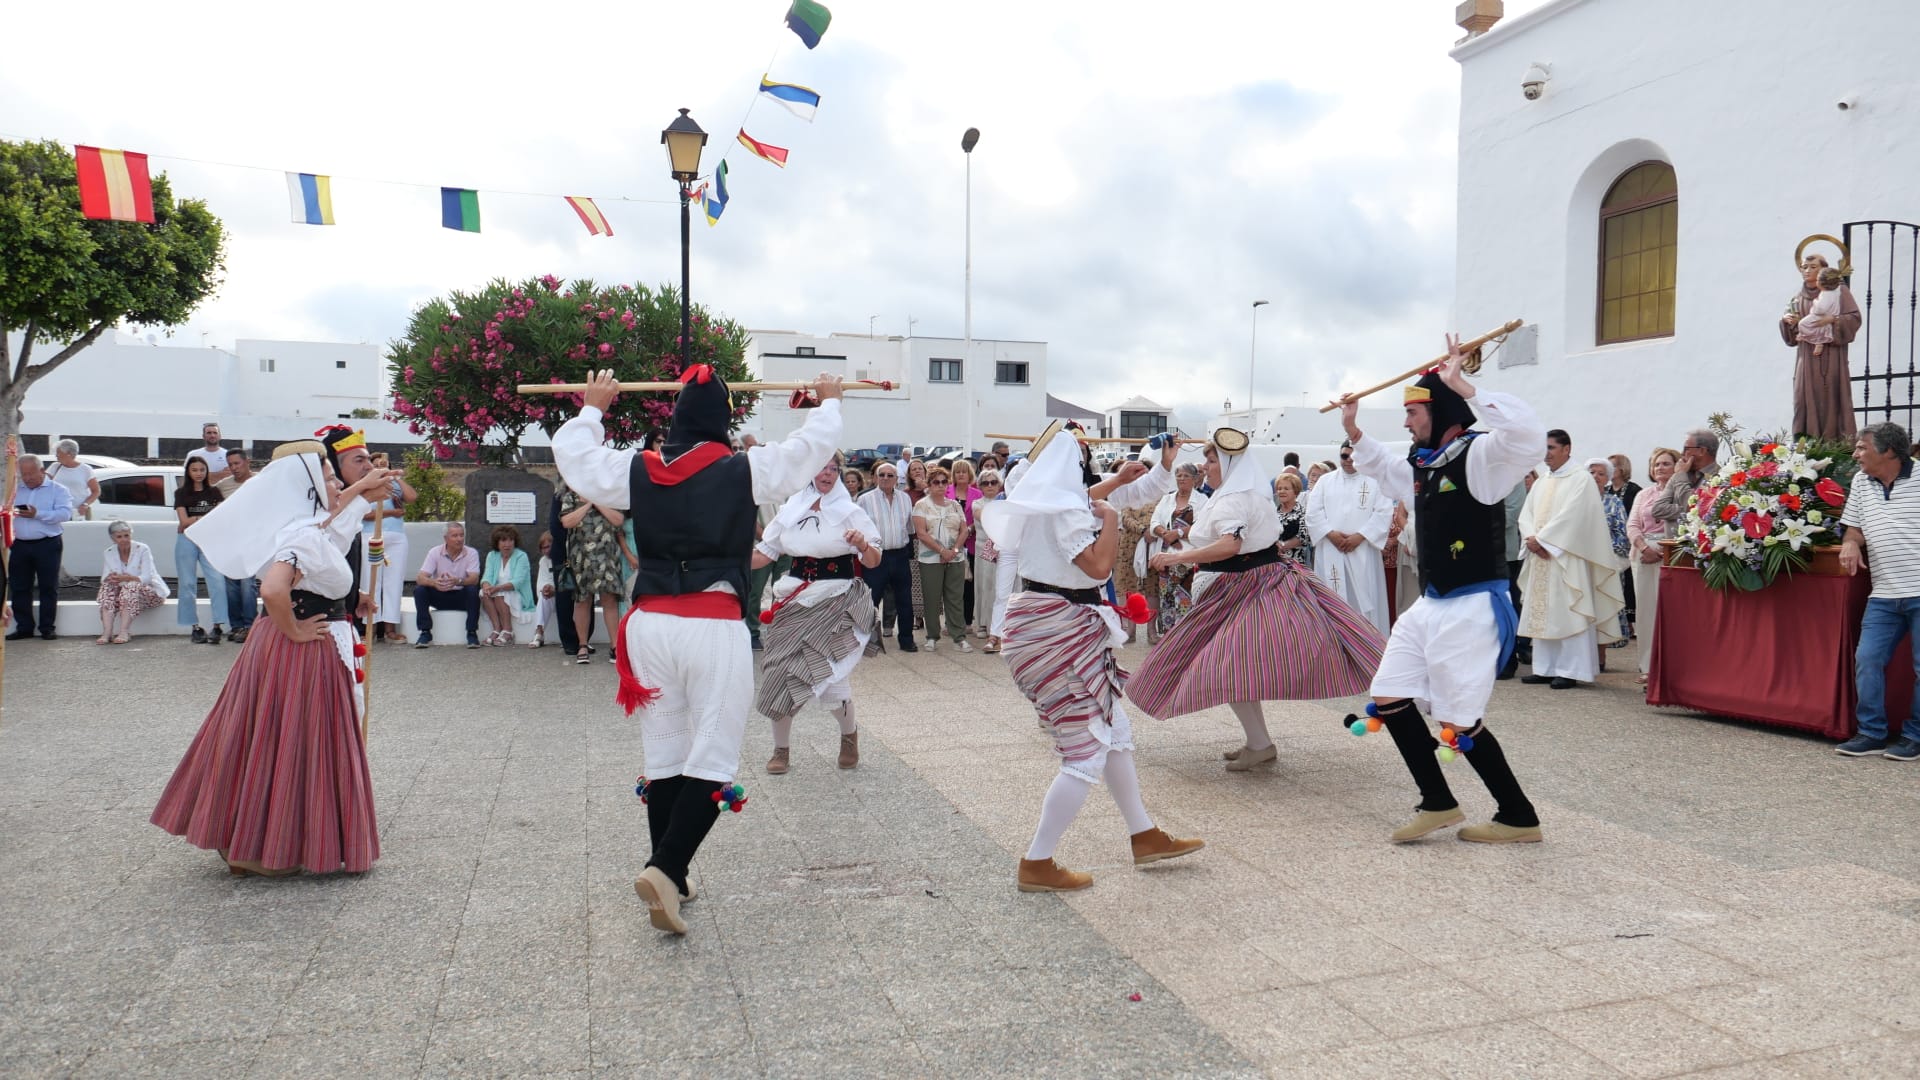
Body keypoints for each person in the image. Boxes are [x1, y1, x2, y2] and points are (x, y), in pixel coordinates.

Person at [553, 366, 844, 935]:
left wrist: (593, 407)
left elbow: (575, 457)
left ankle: (674, 873)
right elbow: (810, 449)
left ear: (677, 423)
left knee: (665, 751)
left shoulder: (636, 469)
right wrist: (828, 403)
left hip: (649, 624)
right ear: (723, 426)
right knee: (712, 753)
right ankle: (664, 868)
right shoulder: (744, 468)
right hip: (710, 623)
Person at [1337, 333, 1550, 844]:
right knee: (1388, 694)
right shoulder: (1421, 464)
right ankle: (1437, 802)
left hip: (1473, 603)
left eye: (1413, 412)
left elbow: (1528, 438)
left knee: (1460, 719)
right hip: (1432, 604)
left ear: (1443, 411)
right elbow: (1384, 467)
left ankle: (1518, 816)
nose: (1406, 421)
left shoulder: (1479, 457)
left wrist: (1466, 386)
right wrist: (1352, 428)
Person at [152, 431, 394, 876]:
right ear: (307, 487)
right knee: (292, 743)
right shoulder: (300, 535)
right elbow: (274, 587)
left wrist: (348, 595)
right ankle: (258, 846)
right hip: (298, 652)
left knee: (268, 741)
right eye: (328, 476)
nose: (336, 483)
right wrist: (296, 630)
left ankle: (253, 840)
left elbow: (322, 553)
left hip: (280, 646)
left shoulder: (301, 527)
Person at [978, 421, 1203, 893]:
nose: (1085, 463)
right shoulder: (1064, 510)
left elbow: (1090, 498)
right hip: (1057, 630)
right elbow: (1099, 566)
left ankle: (1144, 835)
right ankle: (1037, 861)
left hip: (1052, 623)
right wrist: (1114, 521)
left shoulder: (1050, 497)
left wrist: (1128, 480)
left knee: (1115, 731)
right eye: (1080, 455)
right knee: (1085, 752)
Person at [1131, 431, 1386, 771]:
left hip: (1241, 587)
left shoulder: (1233, 499)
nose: (1206, 467)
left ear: (1228, 463)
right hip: (1252, 582)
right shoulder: (1243, 494)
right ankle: (1258, 742)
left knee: (1231, 667)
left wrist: (1176, 558)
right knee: (1237, 668)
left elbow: (1230, 546)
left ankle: (1259, 743)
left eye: (1211, 461)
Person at [754, 455, 883, 774]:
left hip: (836, 601)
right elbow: (763, 554)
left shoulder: (850, 512)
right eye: (821, 468)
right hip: (793, 601)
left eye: (833, 469)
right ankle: (781, 749)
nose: (827, 474)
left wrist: (863, 544)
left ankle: (849, 737)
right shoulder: (790, 510)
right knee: (778, 674)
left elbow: (873, 560)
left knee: (829, 682)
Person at [1834, 423, 1920, 759]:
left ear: (1888, 452)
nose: (1855, 454)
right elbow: (1853, 528)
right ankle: (1870, 732)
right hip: (1883, 593)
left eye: (1861, 448)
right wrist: (1851, 544)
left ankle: (1914, 737)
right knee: (1867, 659)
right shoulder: (1860, 482)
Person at [1515, 432, 1625, 689]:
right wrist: (1531, 537)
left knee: (1568, 609)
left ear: (1567, 449)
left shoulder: (1581, 479)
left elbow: (1575, 516)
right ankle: (1545, 667)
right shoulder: (1543, 481)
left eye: (1551, 447)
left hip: (1567, 556)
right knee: (1544, 611)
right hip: (1542, 555)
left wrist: (1544, 541)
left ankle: (1570, 668)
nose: (1546, 453)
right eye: (1544, 448)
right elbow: (1526, 513)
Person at [1306, 439, 1395, 637]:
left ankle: (1370, 646)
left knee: (1365, 601)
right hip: (1331, 549)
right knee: (1333, 599)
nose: (1348, 461)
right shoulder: (1325, 481)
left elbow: (1383, 512)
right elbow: (1312, 513)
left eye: (1353, 456)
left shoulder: (1375, 481)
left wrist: (1360, 536)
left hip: (1362, 550)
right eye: (1344, 456)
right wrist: (1331, 534)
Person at [1782, 254, 1862, 439]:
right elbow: (1792, 334)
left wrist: (1833, 320)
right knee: (1802, 400)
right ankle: (1805, 445)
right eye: (1804, 267)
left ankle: (1833, 445)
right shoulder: (1797, 297)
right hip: (1806, 357)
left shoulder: (1838, 291)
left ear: (1823, 269)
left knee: (1829, 398)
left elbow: (1854, 318)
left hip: (1831, 356)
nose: (1807, 271)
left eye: (1812, 267)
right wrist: (1788, 322)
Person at [7, 453, 74, 640]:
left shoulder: (58, 490)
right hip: (19, 544)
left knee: (47, 586)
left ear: (42, 471)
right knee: (19, 587)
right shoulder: (15, 490)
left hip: (47, 543)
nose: (27, 478)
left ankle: (47, 628)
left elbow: (64, 514)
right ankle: (24, 628)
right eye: (23, 474)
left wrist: (38, 514)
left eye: (31, 473)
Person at [1627, 448, 1679, 686]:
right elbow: (1633, 524)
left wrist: (1661, 551)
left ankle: (1670, 667)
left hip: (1672, 554)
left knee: (1669, 612)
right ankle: (1648, 666)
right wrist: (1643, 547)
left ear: (1677, 467)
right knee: (1647, 612)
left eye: (1666, 464)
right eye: (1657, 464)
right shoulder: (1644, 494)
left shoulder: (1682, 493)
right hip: (1643, 554)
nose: (1660, 468)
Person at [561, 485, 627, 664]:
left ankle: (615, 646)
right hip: (581, 558)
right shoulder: (571, 497)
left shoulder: (610, 495)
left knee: (609, 601)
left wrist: (599, 503)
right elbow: (567, 522)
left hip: (607, 558)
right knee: (582, 601)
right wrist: (588, 503)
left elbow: (618, 519)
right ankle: (582, 645)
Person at [855, 463, 918, 652]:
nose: (885, 478)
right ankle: (867, 641)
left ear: (896, 478)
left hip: (899, 554)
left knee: (905, 600)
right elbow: (858, 527)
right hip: (876, 555)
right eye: (881, 474)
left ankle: (906, 640)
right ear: (874, 477)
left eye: (890, 475)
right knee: (871, 600)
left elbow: (909, 527)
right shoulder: (865, 500)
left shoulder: (905, 498)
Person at [357, 453, 415, 645]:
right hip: (371, 536)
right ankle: (369, 628)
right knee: (371, 582)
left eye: (384, 464)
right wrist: (390, 512)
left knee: (394, 583)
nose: (381, 467)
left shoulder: (394, 484)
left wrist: (395, 476)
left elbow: (412, 497)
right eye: (376, 465)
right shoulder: (364, 485)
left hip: (396, 537)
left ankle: (390, 629)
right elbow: (363, 514)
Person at [913, 465, 971, 652]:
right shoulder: (921, 505)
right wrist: (941, 551)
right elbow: (921, 533)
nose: (940, 485)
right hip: (930, 559)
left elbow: (964, 530)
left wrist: (953, 550)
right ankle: (932, 636)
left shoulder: (955, 505)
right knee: (932, 598)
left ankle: (959, 637)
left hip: (955, 558)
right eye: (936, 482)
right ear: (929, 484)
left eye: (944, 482)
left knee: (955, 598)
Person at [1147, 463, 1208, 641]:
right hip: (1166, 559)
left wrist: (1179, 532)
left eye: (1185, 476)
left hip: (1189, 560)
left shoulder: (1202, 501)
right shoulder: (1167, 499)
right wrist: (1163, 532)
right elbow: (1154, 522)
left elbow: (1203, 527)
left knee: (1185, 599)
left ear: (1195, 479)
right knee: (1166, 598)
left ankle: (1185, 640)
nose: (1181, 479)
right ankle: (1168, 638)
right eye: (1179, 475)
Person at [174, 456, 230, 645]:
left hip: (208, 540)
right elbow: (183, 522)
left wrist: (195, 518)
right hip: (187, 540)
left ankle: (218, 626)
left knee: (217, 582)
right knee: (187, 584)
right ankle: (194, 627)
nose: (199, 473)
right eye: (195, 470)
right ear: (189, 472)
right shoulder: (181, 493)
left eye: (202, 470)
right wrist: (206, 517)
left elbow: (220, 517)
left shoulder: (214, 492)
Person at [95, 519, 170, 644]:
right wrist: (112, 577)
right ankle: (107, 632)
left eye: (126, 535)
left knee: (131, 586)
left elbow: (147, 578)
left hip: (151, 594)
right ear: (113, 539)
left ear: (131, 534)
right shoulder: (109, 552)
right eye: (119, 537)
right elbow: (104, 578)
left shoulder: (142, 549)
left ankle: (124, 631)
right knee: (107, 587)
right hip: (123, 594)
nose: (124, 539)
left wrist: (127, 578)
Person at [413, 522, 481, 648]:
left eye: (461, 535)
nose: (459, 539)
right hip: (440, 594)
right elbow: (420, 577)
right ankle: (425, 632)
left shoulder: (471, 553)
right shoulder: (435, 552)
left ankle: (472, 633)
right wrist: (434, 583)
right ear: (445, 538)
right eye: (455, 536)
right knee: (420, 590)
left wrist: (458, 581)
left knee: (472, 589)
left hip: (461, 596)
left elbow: (474, 579)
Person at [547, 481, 594, 662]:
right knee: (565, 595)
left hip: (587, 551)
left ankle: (584, 639)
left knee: (586, 595)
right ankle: (569, 641)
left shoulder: (588, 491)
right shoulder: (559, 496)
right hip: (565, 553)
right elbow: (556, 526)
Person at [1650, 428, 1719, 536]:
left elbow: (1695, 508)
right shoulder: (1680, 474)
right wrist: (1685, 510)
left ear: (1702, 451)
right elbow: (1657, 509)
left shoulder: (1719, 476)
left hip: (1699, 548)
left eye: (1686, 449)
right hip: (1672, 547)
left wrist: (1681, 476)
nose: (1682, 453)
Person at [479, 525, 534, 645]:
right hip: (498, 592)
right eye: (503, 540)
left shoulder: (521, 556)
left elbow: (518, 582)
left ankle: (508, 631)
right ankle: (497, 629)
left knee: (500, 592)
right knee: (483, 593)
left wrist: (497, 588)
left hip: (517, 594)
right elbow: (487, 576)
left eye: (510, 540)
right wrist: (486, 585)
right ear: (497, 543)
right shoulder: (492, 555)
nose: (507, 544)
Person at [949, 458, 985, 629]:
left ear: (970, 474)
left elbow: (981, 518)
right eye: (957, 471)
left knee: (969, 584)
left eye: (964, 471)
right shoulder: (946, 491)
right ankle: (952, 621)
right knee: (951, 585)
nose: (961, 474)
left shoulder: (977, 494)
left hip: (970, 544)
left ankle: (967, 621)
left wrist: (970, 529)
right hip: (949, 543)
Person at [975, 468, 1006, 652]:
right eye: (985, 483)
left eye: (993, 482)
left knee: (1004, 589)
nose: (990, 486)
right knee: (986, 588)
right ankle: (985, 625)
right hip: (985, 550)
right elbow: (986, 517)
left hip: (1006, 550)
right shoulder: (978, 504)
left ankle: (1005, 626)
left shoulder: (1006, 501)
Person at [1797, 266, 1848, 357]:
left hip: (1820, 316)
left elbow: (1820, 309)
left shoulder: (1826, 294)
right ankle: (1808, 336)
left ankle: (1817, 342)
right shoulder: (1836, 291)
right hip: (1829, 315)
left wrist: (1815, 302)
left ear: (1823, 283)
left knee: (1802, 324)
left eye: (1817, 280)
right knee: (1815, 327)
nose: (1816, 282)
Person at [46, 439, 98, 521]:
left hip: (78, 512)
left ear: (69, 454)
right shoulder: (54, 467)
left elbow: (96, 491)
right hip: (58, 511)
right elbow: (44, 485)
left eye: (59, 453)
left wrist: (85, 504)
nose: (56, 455)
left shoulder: (85, 469)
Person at [184, 422, 233, 487]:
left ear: (220, 436)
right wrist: (219, 475)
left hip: (222, 494)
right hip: (199, 494)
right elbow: (188, 477)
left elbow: (231, 478)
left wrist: (203, 476)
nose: (212, 435)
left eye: (215, 433)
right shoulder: (193, 455)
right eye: (209, 433)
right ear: (203, 436)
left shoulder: (229, 455)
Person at [1275, 474, 1308, 565]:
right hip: (1273, 564)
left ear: (1295, 492)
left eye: (1286, 488)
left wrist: (1282, 546)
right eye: (1279, 488)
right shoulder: (1273, 513)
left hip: (1295, 565)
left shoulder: (1303, 512)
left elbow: (1303, 537)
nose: (1282, 491)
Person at [531, 532, 555, 648]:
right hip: (552, 596)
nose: (546, 551)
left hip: (566, 595)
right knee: (543, 596)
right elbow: (541, 583)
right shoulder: (543, 561)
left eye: (548, 547)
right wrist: (546, 588)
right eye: (543, 548)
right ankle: (539, 632)